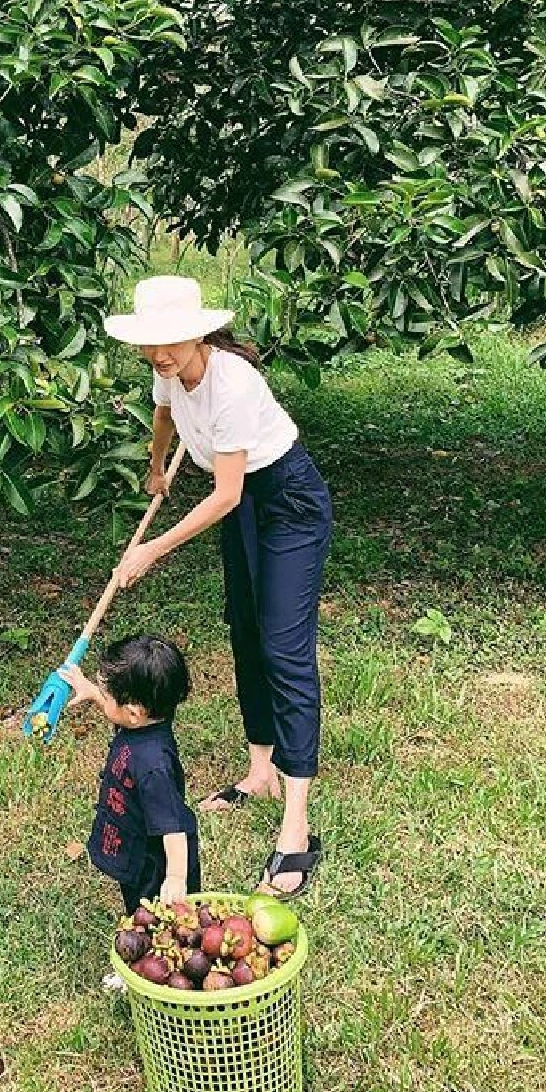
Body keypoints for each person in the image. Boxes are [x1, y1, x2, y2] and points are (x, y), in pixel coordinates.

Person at [101, 275, 332, 899]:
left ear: (198, 332)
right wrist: (156, 465)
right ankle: (260, 772)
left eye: (172, 343)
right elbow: (166, 410)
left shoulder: (232, 382)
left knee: (285, 651)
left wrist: (150, 548)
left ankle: (296, 827)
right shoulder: (167, 367)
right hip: (247, 507)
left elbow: (227, 493)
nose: (161, 356)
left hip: (287, 502)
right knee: (245, 633)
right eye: (152, 346)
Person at [60, 634, 200, 914]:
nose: (105, 700)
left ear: (135, 712)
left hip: (152, 863)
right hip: (136, 842)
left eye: (107, 696)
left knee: (152, 917)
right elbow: (121, 712)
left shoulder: (153, 765)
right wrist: (92, 692)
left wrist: (174, 878)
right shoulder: (143, 724)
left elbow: (173, 828)